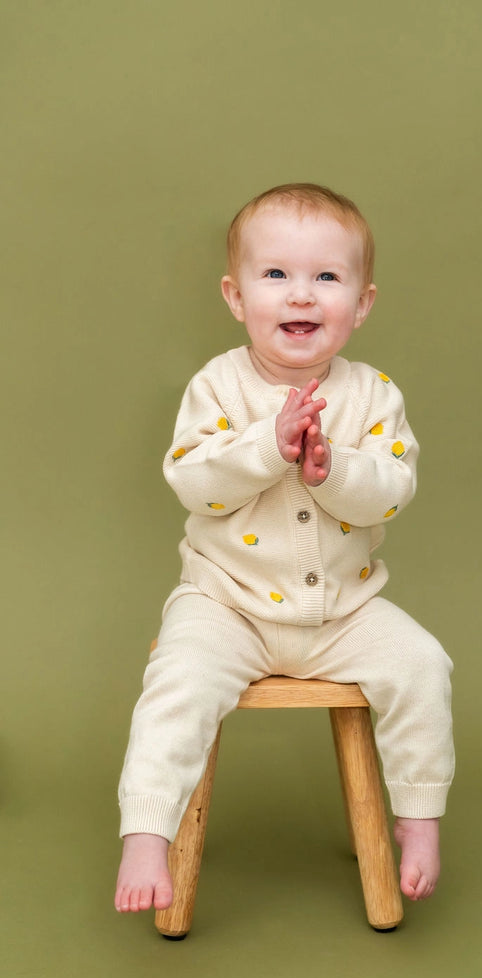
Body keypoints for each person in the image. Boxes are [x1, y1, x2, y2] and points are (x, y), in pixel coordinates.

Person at [115, 182, 454, 915]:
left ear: (361, 303)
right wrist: (268, 447)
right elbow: (194, 483)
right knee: (177, 682)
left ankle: (418, 816)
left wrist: (334, 471)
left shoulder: (375, 395)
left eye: (327, 276)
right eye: (276, 274)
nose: (301, 294)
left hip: (343, 612)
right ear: (237, 298)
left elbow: (393, 489)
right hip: (226, 606)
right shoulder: (218, 386)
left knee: (423, 664)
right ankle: (146, 831)